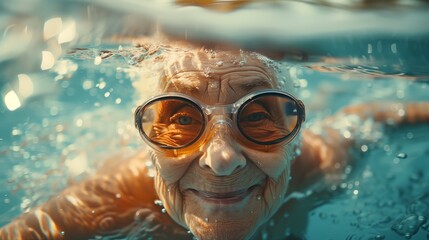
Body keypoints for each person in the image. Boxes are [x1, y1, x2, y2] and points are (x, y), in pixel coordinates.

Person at [1, 39, 428, 240]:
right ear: (147, 143)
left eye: (259, 117)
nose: (222, 160)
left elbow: (376, 114)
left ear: (296, 134)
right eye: (181, 121)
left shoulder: (321, 162)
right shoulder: (113, 200)